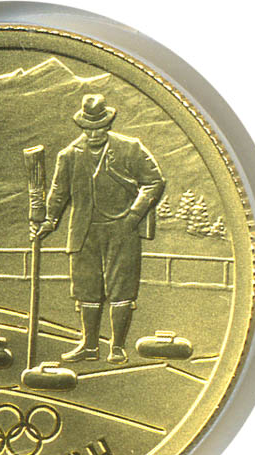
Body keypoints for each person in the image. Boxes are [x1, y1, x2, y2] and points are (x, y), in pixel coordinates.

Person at [33, 94, 164, 365]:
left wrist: (134, 215)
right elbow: (59, 192)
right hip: (84, 230)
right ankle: (89, 346)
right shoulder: (69, 155)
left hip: (123, 228)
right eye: (88, 128)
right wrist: (50, 221)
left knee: (122, 288)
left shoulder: (130, 148)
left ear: (108, 124)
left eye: (99, 127)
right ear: (82, 126)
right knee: (86, 289)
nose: (94, 133)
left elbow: (154, 181)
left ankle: (117, 347)